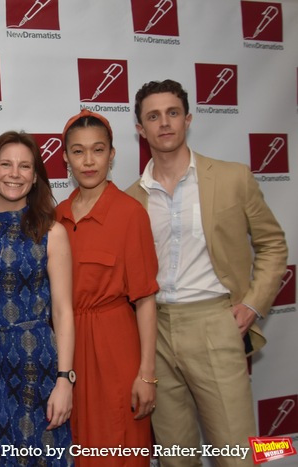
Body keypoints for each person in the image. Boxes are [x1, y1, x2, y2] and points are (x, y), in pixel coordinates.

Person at [126, 79, 288, 467]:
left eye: (172, 113)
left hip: (216, 323)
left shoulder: (233, 177)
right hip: (155, 333)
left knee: (236, 454)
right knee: (176, 457)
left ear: (188, 119)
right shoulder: (132, 197)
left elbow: (273, 244)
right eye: (153, 116)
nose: (164, 123)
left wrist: (252, 303)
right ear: (140, 129)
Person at [56, 110, 159, 466]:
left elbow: (145, 300)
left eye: (98, 150)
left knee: (120, 445)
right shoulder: (58, 215)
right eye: (78, 151)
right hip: (67, 349)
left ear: (112, 154)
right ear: (66, 157)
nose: (88, 161)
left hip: (115, 348)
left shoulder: (130, 213)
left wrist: (147, 374)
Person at [0, 131, 75, 466]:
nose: (15, 173)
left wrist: (65, 380)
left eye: (25, 166)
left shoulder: (51, 232)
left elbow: (62, 310)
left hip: (36, 365)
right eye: (6, 164)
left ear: (36, 176)